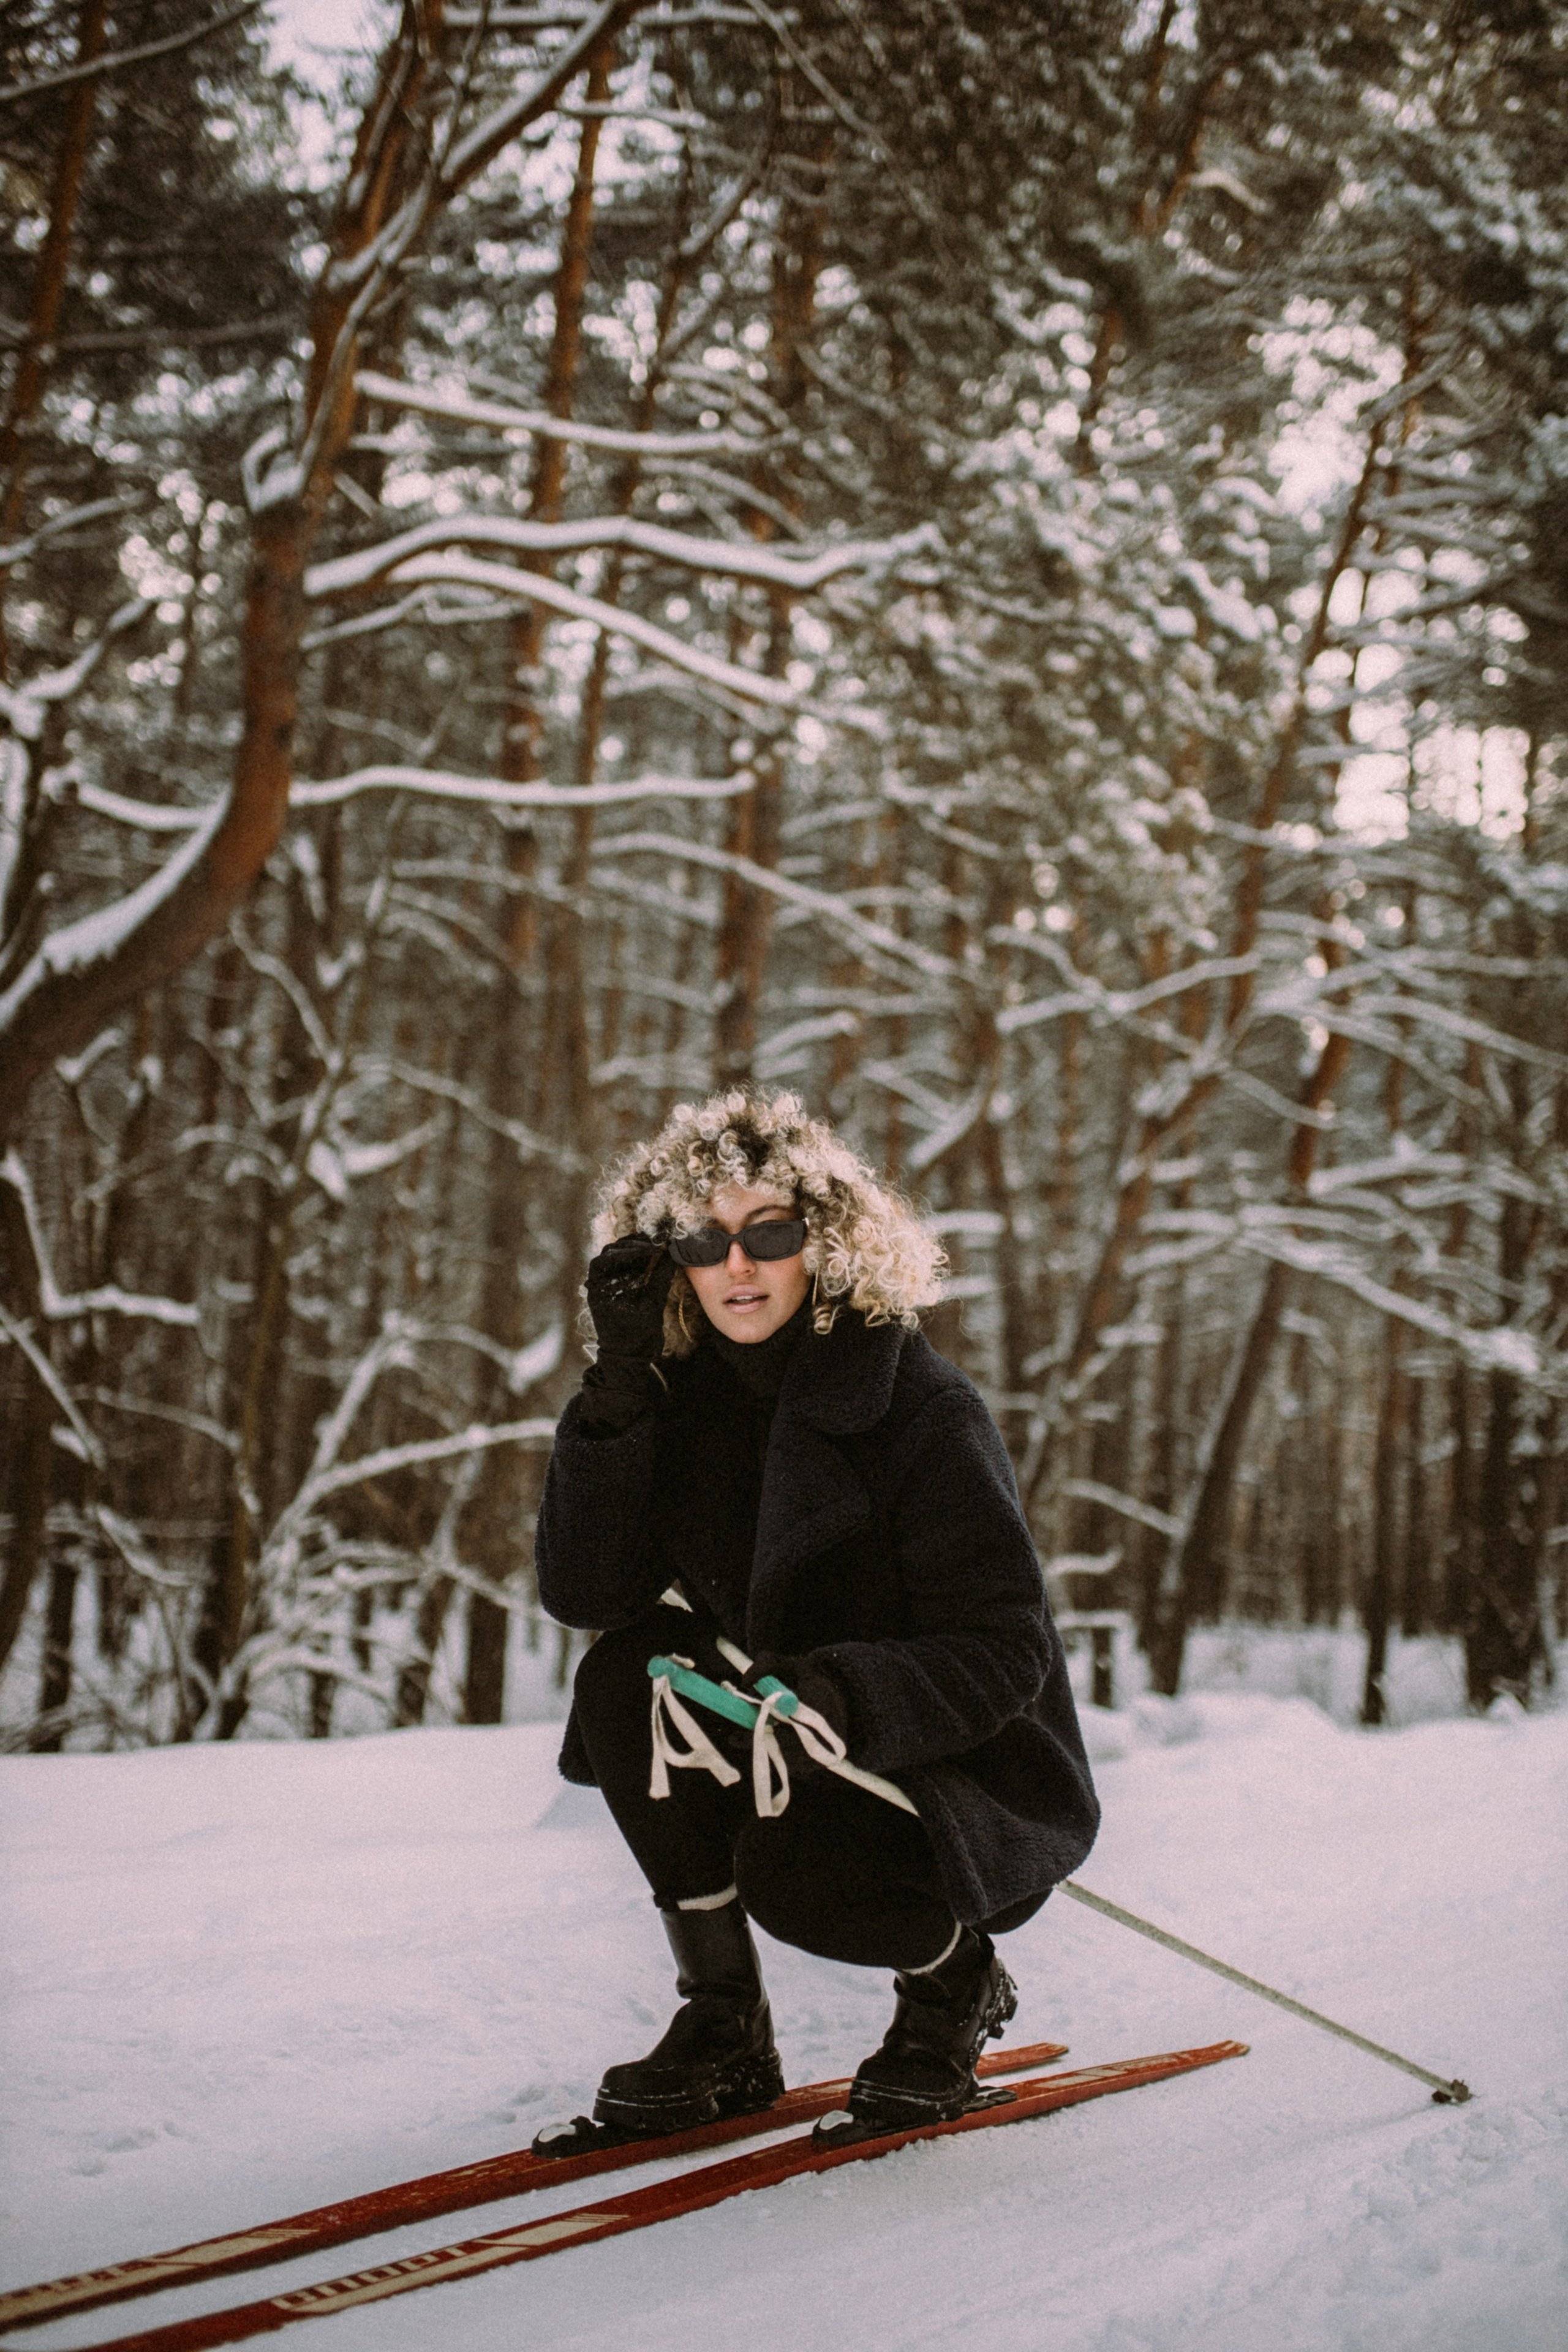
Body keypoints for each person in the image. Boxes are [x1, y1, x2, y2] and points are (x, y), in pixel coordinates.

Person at [532, 1089, 1098, 2153]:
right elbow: (588, 1596)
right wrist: (618, 1390)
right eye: (703, 1240)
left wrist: (846, 1693)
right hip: (781, 1719)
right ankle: (725, 2021)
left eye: (769, 1234)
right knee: (624, 1673)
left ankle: (954, 1986)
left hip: (935, 1755)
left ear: (826, 1241)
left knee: (801, 1878)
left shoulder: (920, 1405)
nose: (736, 1266)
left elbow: (1005, 1649)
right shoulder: (676, 1396)